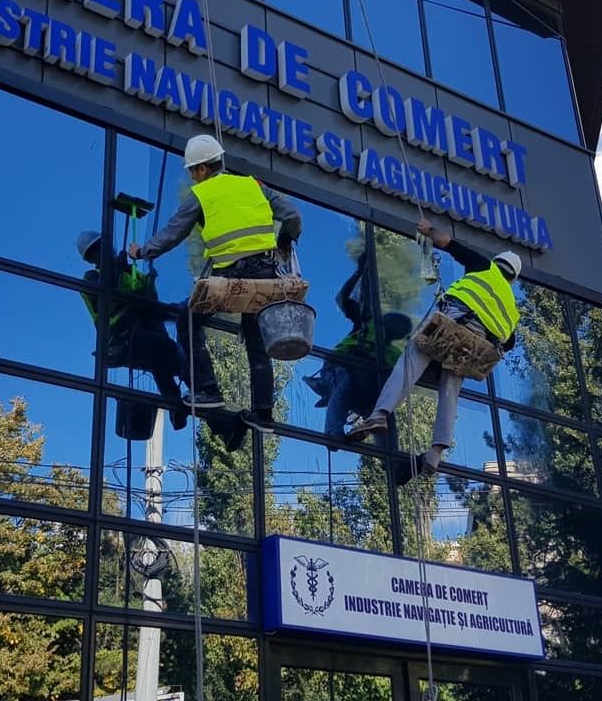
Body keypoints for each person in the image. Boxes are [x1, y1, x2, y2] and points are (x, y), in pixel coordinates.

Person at [128, 134, 302, 433]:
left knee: (189, 319)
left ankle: (208, 390)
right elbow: (293, 217)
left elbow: (173, 232)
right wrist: (284, 240)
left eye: (192, 172)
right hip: (265, 276)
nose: (193, 178)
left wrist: (142, 251)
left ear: (201, 169)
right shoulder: (253, 185)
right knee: (257, 343)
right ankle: (263, 413)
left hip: (233, 276)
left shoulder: (202, 194)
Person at [347, 218, 521, 473]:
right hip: (475, 346)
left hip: (454, 322)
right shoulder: (512, 307)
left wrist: (428, 230)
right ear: (513, 279)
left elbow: (446, 243)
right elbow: (510, 341)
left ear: (498, 264)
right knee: (451, 388)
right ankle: (435, 453)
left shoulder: (485, 267)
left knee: (412, 359)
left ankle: (380, 414)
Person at [77, 230, 189, 431]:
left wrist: (149, 280)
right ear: (92, 258)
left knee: (161, 360)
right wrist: (117, 271)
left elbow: (149, 298)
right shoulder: (91, 279)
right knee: (166, 348)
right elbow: (110, 300)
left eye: (104, 248)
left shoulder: (129, 271)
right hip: (121, 338)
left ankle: (177, 407)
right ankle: (195, 390)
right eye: (98, 251)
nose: (105, 253)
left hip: (142, 332)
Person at [308, 252, 413, 437]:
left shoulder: (392, 353)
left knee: (383, 412)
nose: (397, 328)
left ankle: (389, 454)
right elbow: (344, 299)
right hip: (341, 367)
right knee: (344, 384)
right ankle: (333, 430)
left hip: (367, 386)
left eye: (401, 328)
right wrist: (359, 273)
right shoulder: (365, 324)